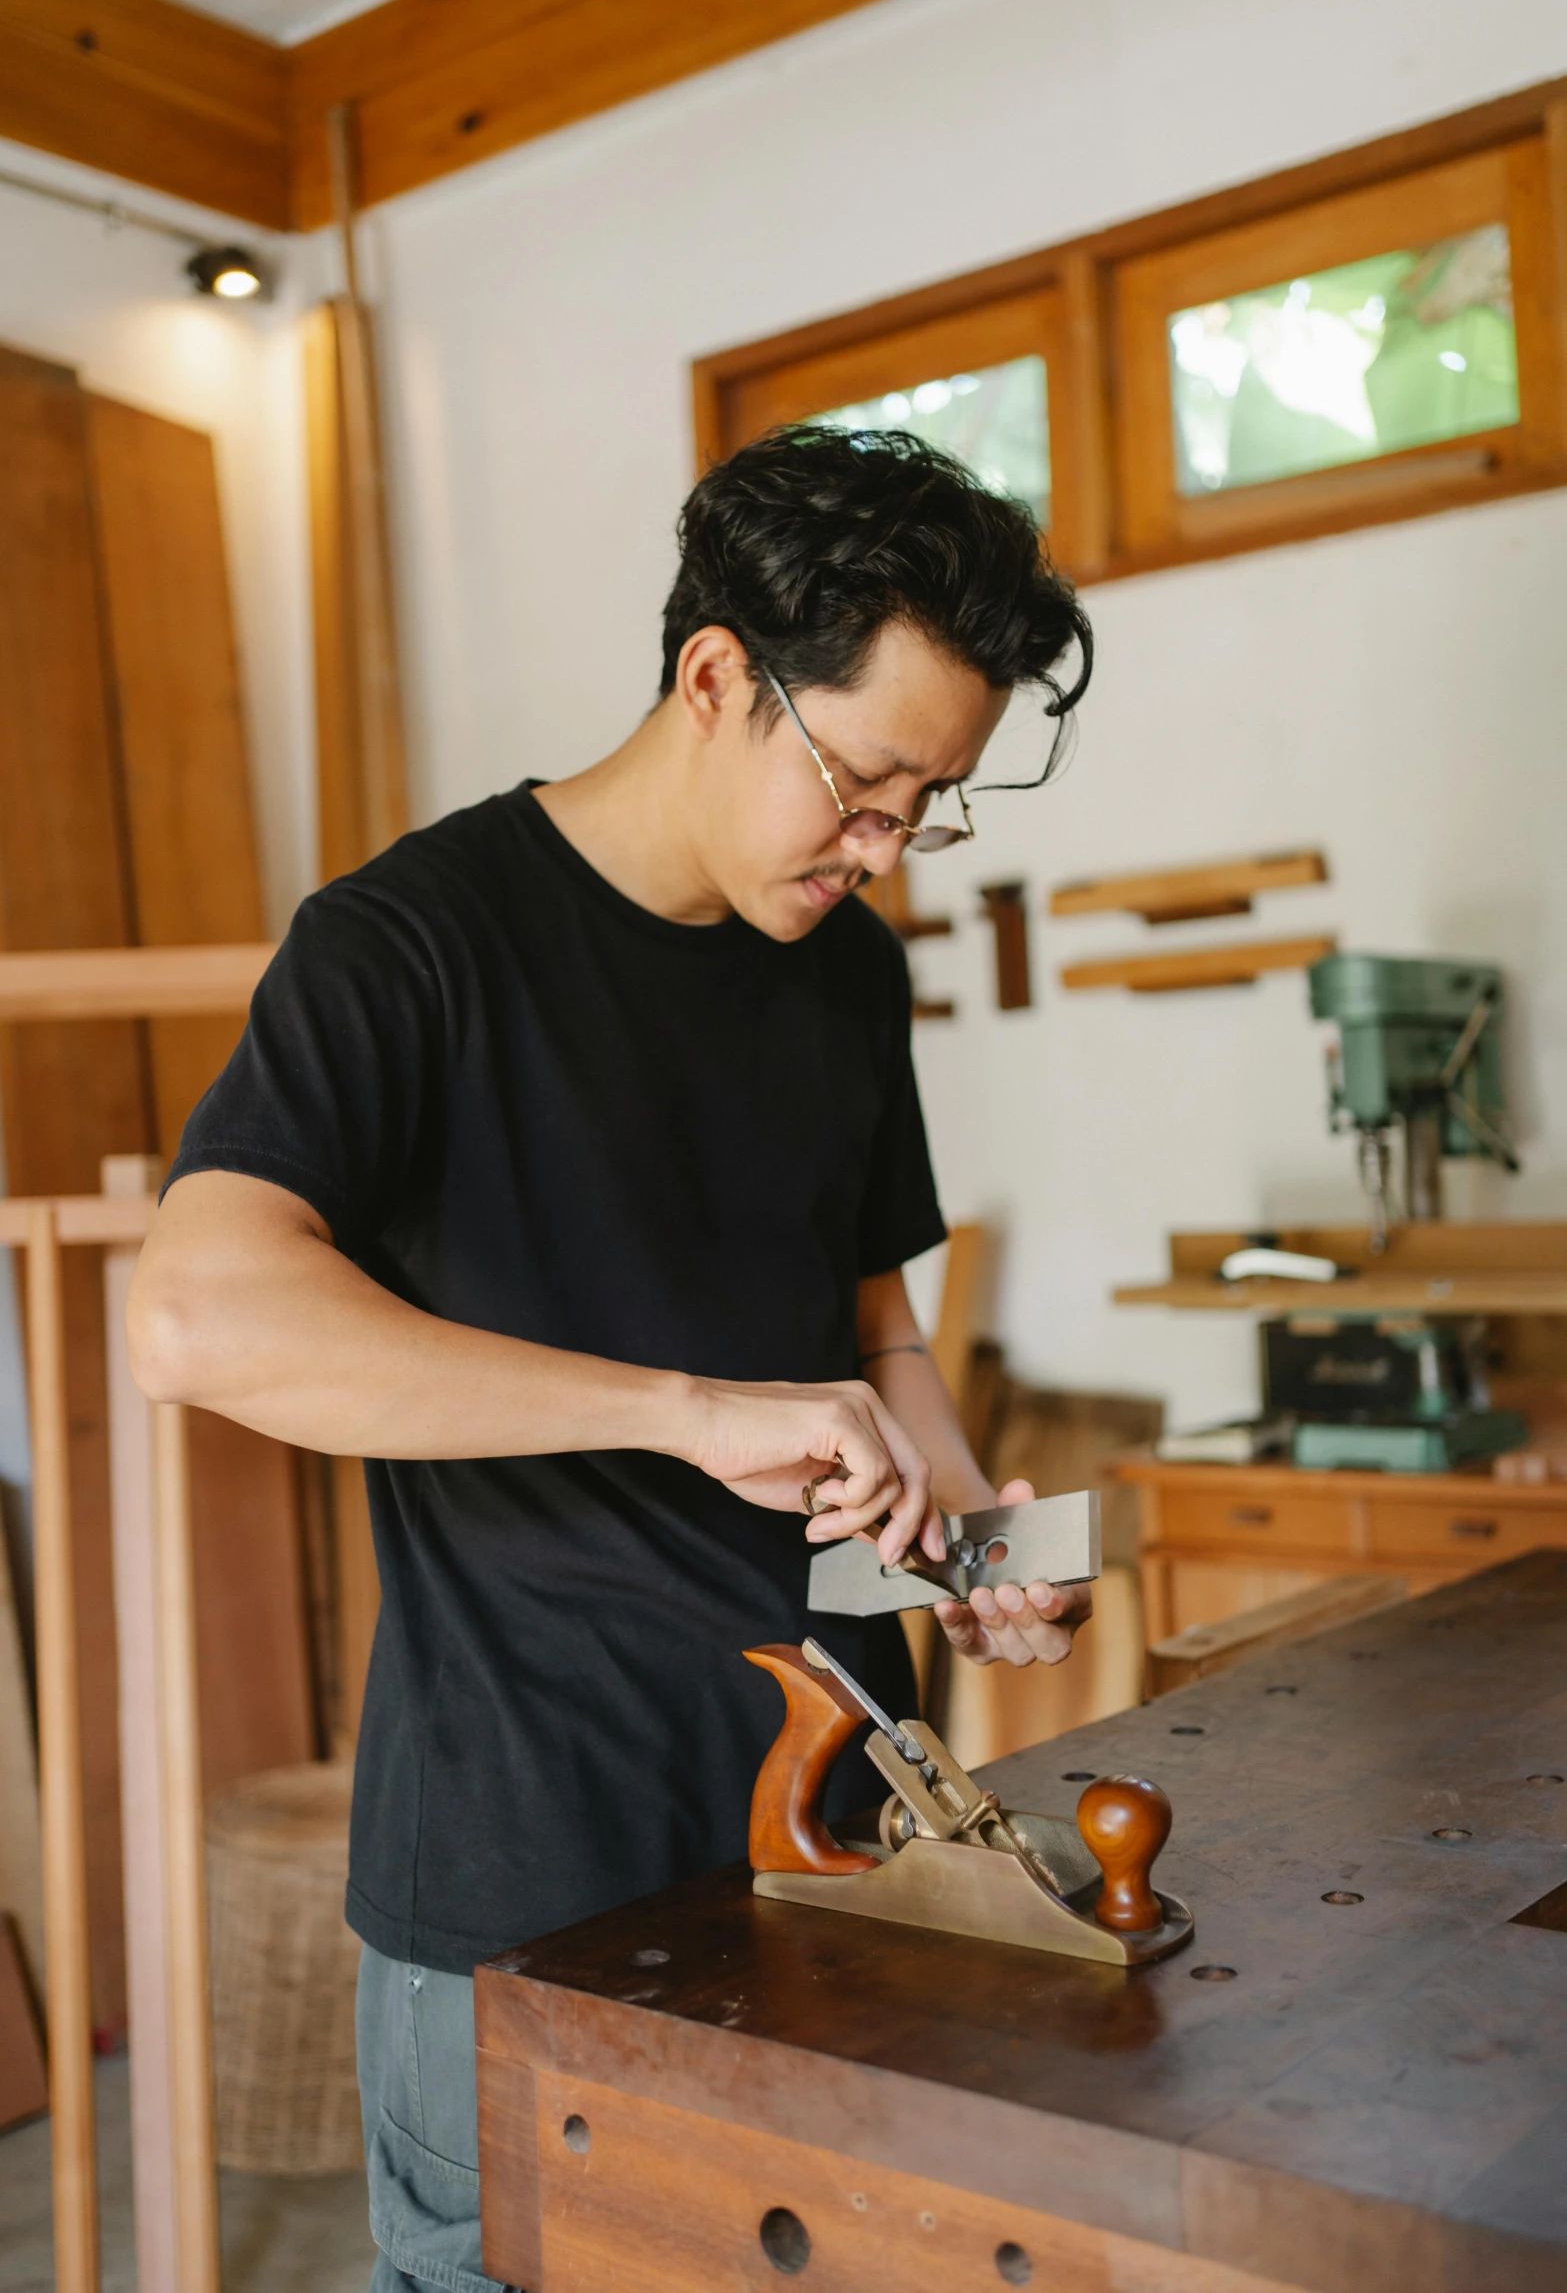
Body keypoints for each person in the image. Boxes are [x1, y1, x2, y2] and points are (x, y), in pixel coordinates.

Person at [128, 424, 1094, 2292]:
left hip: (841, 1828)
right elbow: (194, 1315)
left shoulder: (842, 965)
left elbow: (873, 1327)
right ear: (717, 673)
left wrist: (975, 1548)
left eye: (933, 805)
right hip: (527, 1863)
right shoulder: (412, 942)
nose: (884, 850)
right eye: (865, 785)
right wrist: (680, 1415)